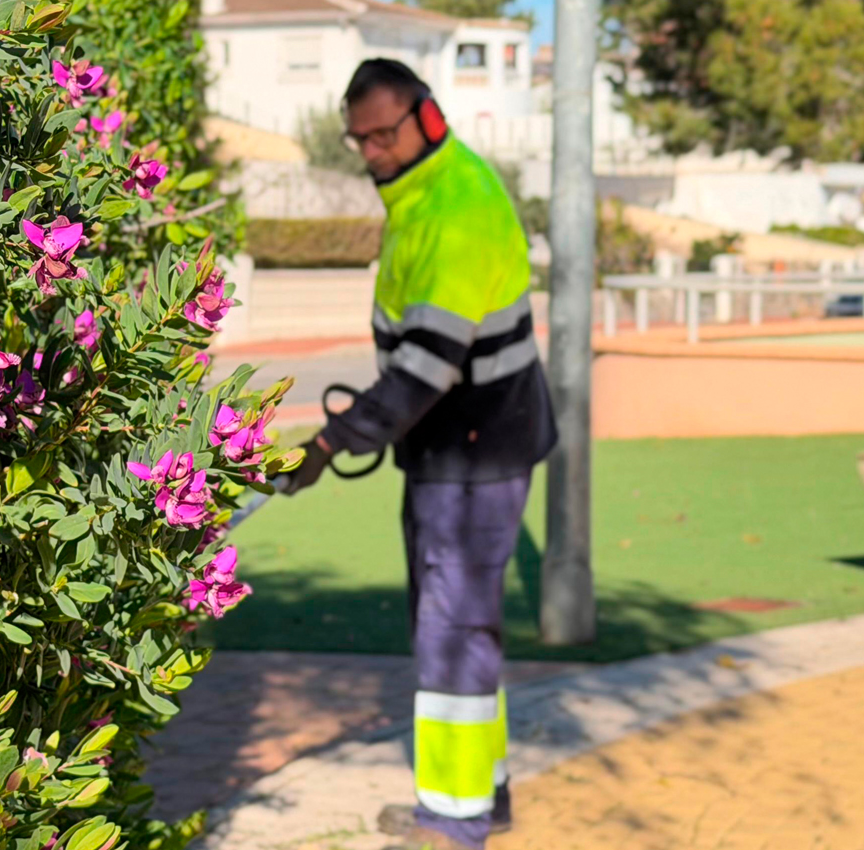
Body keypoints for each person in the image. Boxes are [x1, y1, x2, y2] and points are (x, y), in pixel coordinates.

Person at [281, 59, 557, 850]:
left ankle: (455, 819)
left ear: (427, 120)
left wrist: (332, 442)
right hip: (461, 445)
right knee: (460, 625)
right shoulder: (428, 189)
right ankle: (481, 795)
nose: (370, 151)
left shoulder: (454, 207)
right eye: (358, 138)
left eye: (383, 133)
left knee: (453, 627)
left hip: (475, 451)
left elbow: (429, 365)